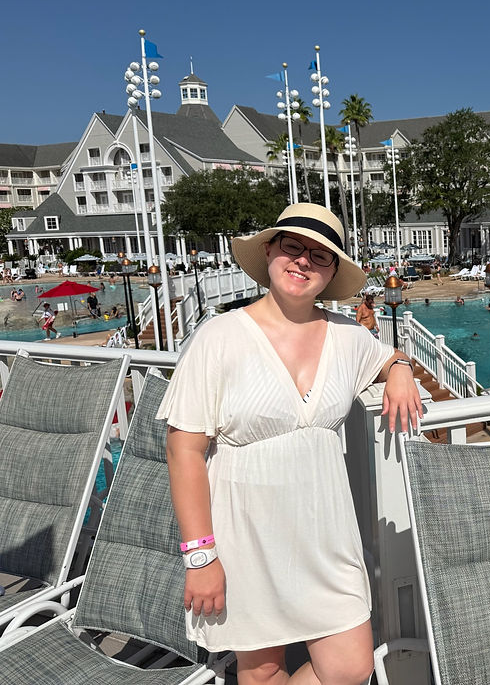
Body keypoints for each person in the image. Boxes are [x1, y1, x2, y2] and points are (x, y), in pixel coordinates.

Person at [160, 204, 422, 685]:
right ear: (269, 252)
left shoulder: (347, 336)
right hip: (245, 536)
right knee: (261, 673)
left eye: (320, 256)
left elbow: (389, 356)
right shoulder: (218, 337)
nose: (303, 261)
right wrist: (201, 558)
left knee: (350, 668)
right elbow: (184, 451)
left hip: (327, 536)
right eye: (293, 247)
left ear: (332, 273)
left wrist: (400, 372)